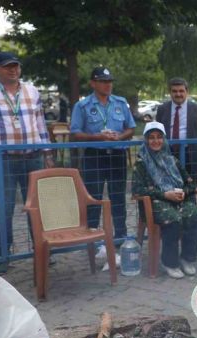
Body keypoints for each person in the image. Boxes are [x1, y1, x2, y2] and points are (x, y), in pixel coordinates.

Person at [0, 52, 55, 274]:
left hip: (33, 157)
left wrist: (47, 153)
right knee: (4, 208)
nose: (13, 70)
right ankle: (3, 255)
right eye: (7, 66)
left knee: (38, 207)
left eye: (16, 66)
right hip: (3, 160)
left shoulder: (32, 90)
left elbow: (40, 124)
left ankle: (42, 249)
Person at [70, 66, 136, 239]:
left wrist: (120, 137)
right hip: (94, 155)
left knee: (118, 197)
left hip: (116, 156)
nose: (107, 85)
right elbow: (75, 133)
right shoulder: (82, 106)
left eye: (109, 82)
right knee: (93, 198)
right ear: (93, 83)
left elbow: (131, 128)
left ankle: (120, 236)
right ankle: (93, 237)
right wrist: (96, 137)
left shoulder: (120, 103)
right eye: (103, 81)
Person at [132, 122, 197, 278]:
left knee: (195, 216)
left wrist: (183, 192)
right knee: (173, 220)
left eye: (159, 137)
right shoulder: (141, 163)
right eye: (151, 138)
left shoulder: (172, 160)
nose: (156, 141)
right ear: (146, 140)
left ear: (164, 139)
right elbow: (137, 190)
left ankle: (187, 259)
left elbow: (190, 182)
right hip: (155, 203)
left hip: (177, 201)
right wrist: (164, 195)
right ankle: (169, 262)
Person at [155, 78, 197, 187]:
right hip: (168, 154)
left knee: (190, 189)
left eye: (181, 91)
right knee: (169, 189)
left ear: (186, 92)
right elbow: (158, 131)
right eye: (174, 91)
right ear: (170, 92)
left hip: (191, 155)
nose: (178, 94)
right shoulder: (162, 109)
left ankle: (190, 204)